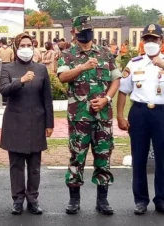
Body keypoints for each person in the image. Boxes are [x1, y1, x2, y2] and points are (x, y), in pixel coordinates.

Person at [57, 15, 122, 215]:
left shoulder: (105, 53)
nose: (86, 33)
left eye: (89, 30)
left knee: (103, 157)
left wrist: (107, 100)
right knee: (77, 158)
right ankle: (74, 200)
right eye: (82, 30)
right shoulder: (67, 55)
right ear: (74, 33)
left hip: (102, 116)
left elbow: (116, 80)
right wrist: (82, 67)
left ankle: (102, 200)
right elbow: (62, 77)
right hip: (79, 118)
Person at [0, 33, 54, 215]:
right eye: (22, 45)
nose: (25, 48)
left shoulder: (41, 69)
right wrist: (20, 81)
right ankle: (18, 199)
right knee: (16, 165)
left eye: (28, 45)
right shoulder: (8, 68)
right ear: (16, 47)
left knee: (34, 165)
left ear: (33, 46)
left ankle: (33, 199)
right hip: (15, 122)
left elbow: (47, 98)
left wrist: (49, 123)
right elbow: (3, 91)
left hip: (36, 122)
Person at [117, 24, 164, 215]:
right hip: (139, 113)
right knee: (139, 158)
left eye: (154, 39)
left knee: (162, 158)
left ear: (161, 42)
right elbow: (122, 91)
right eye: (147, 39)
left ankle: (161, 199)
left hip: (162, 114)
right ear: (143, 42)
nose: (151, 43)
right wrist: (119, 115)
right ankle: (141, 200)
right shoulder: (134, 64)